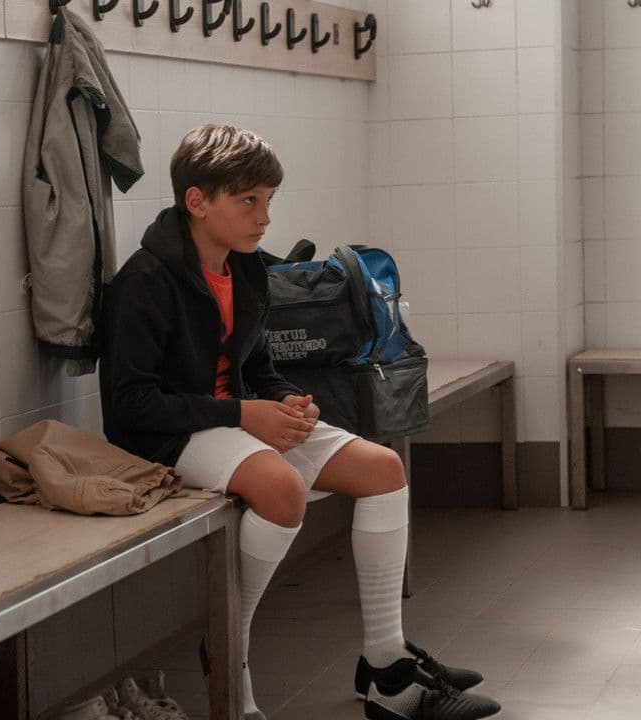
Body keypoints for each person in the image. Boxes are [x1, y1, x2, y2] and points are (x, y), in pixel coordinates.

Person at [99, 125, 501, 720]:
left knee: (383, 469)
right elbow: (130, 406)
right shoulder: (144, 282)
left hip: (235, 420)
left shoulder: (246, 269)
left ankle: (387, 666)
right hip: (168, 436)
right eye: (249, 201)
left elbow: (259, 366)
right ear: (197, 201)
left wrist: (288, 401)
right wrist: (243, 413)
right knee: (282, 489)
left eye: (268, 200)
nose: (264, 218)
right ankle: (229, 650)